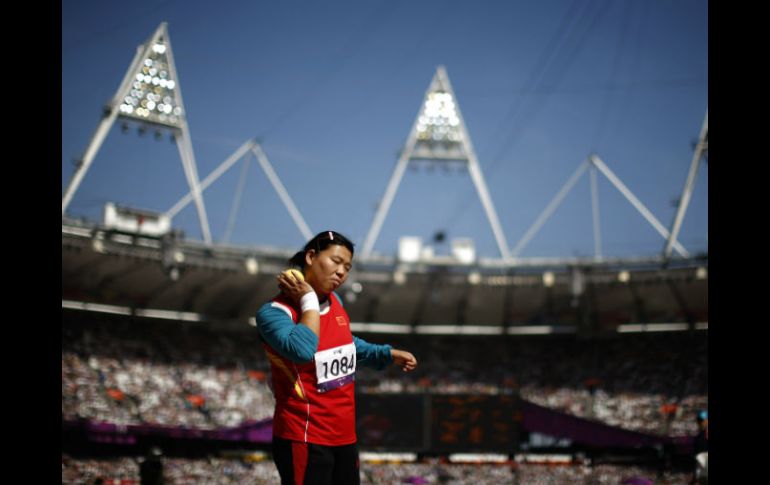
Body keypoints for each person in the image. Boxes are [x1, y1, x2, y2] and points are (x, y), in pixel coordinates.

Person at [255, 230, 417, 485]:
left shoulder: (336, 301)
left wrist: (385, 353)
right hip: (304, 437)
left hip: (344, 438)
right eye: (336, 261)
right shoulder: (275, 312)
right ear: (311, 257)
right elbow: (303, 350)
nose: (342, 272)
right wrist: (308, 299)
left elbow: (344, 344)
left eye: (347, 267)